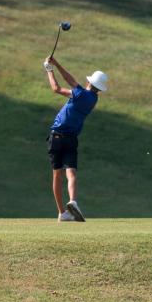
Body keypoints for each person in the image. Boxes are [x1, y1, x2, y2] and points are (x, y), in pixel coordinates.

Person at [43, 56, 108, 223]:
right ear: (99, 88)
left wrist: (50, 69)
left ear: (90, 83)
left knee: (57, 175)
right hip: (72, 139)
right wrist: (55, 65)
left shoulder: (80, 95)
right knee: (71, 172)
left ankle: (62, 213)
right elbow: (69, 84)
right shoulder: (93, 99)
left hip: (56, 137)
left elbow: (57, 87)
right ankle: (73, 201)